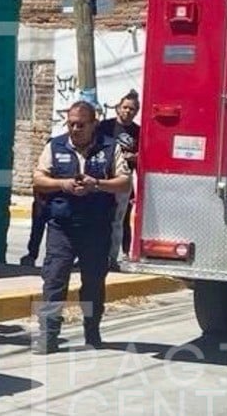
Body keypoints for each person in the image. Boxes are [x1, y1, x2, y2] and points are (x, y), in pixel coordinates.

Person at [31, 101, 132, 354]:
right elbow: (38, 179)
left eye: (81, 124)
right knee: (54, 280)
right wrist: (63, 184)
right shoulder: (55, 146)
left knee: (93, 283)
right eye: (71, 124)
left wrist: (96, 183)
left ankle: (92, 331)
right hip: (62, 226)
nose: (75, 129)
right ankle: (49, 335)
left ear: (93, 124)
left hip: (96, 228)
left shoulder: (110, 148)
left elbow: (124, 182)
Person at [99, 91, 140, 269]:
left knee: (118, 221)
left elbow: (144, 158)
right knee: (96, 219)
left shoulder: (139, 132)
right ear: (118, 108)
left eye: (132, 109)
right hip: (101, 178)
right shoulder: (105, 127)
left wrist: (134, 157)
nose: (128, 111)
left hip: (123, 181)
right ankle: (90, 255)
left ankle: (114, 258)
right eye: (125, 107)